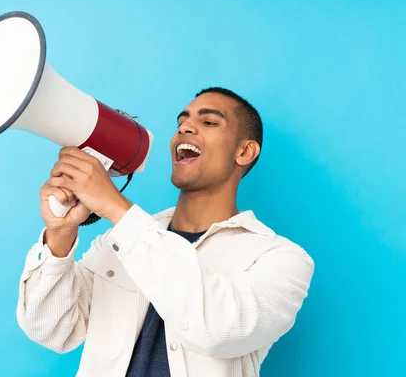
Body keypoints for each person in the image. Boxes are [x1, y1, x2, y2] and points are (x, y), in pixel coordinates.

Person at [16, 87, 315, 377]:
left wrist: (114, 206)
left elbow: (217, 329)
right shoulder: (117, 243)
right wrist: (60, 232)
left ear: (244, 152)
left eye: (208, 122)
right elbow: (51, 330)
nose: (185, 128)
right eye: (182, 122)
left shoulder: (281, 259)